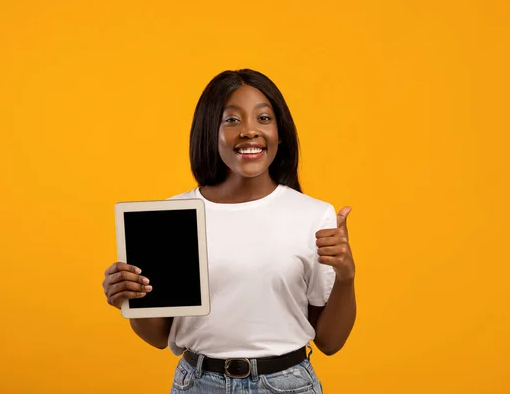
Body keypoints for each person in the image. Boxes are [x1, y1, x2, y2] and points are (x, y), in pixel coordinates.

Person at [102, 69, 357, 393]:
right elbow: (158, 336)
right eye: (232, 120)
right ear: (210, 131)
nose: (250, 131)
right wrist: (129, 298)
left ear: (280, 133)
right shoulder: (171, 217)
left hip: (288, 385)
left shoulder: (312, 214)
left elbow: (331, 342)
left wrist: (346, 277)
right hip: (198, 384)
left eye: (264, 118)